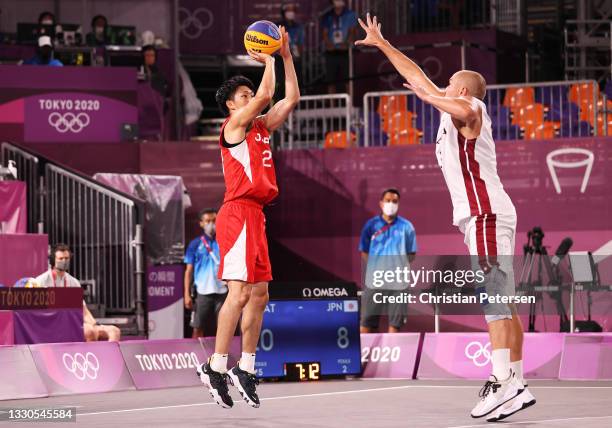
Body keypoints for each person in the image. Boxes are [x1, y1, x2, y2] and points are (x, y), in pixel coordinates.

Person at [355, 13, 534, 422]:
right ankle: (517, 383)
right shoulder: (449, 108)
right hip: (485, 215)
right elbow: (417, 76)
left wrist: (429, 95)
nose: (443, 86)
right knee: (504, 302)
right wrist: (383, 44)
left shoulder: (469, 105)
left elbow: (449, 100)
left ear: (464, 88)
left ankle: (500, 381)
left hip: (484, 212)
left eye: (449, 82)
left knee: (494, 301)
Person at [196, 25, 299, 409]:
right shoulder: (234, 126)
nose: (251, 97)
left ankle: (247, 367)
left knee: (260, 295)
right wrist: (269, 56)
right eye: (245, 95)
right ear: (232, 106)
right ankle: (215, 366)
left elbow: (290, 98)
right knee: (238, 293)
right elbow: (270, 93)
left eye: (250, 93)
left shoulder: (261, 127)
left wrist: (286, 56)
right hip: (237, 213)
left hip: (257, 215)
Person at [35, 243, 121, 342]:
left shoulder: (74, 282)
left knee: (114, 331)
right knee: (89, 331)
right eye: (61, 258)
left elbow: (83, 309)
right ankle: (91, 356)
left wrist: (94, 324)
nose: (64, 261)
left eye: (67, 258)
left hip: (73, 323)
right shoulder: (41, 281)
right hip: (52, 325)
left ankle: (108, 357)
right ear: (53, 260)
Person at [359, 188, 417, 334]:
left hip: (398, 283)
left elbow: (411, 253)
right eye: (388, 201)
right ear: (381, 203)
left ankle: (392, 356)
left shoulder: (407, 227)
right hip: (375, 281)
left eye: (394, 201)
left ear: (398, 204)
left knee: (395, 326)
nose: (391, 204)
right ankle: (365, 357)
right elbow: (364, 251)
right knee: (366, 324)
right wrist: (377, 268)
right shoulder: (371, 226)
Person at [184, 208, 227, 338]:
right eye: (207, 221)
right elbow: (189, 271)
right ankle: (197, 357)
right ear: (201, 223)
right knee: (197, 328)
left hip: (222, 292)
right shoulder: (195, 244)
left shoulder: (225, 241)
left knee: (225, 327)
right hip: (202, 292)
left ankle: (222, 357)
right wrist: (186, 294)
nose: (211, 224)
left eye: (214, 220)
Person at [321, 0, 357, 93]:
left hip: (345, 51)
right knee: (330, 80)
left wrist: (346, 44)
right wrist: (329, 44)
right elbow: (324, 34)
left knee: (348, 79)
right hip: (331, 52)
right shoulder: (327, 16)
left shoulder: (350, 14)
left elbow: (352, 32)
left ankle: (350, 103)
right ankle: (332, 105)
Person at [276, 2, 304, 98]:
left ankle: (294, 110)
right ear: (283, 12)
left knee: (295, 84)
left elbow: (300, 44)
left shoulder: (298, 27)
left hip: (294, 59)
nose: (290, 12)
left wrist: (298, 55)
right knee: (281, 84)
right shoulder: (278, 26)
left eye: (292, 10)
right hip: (280, 60)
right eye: (288, 10)